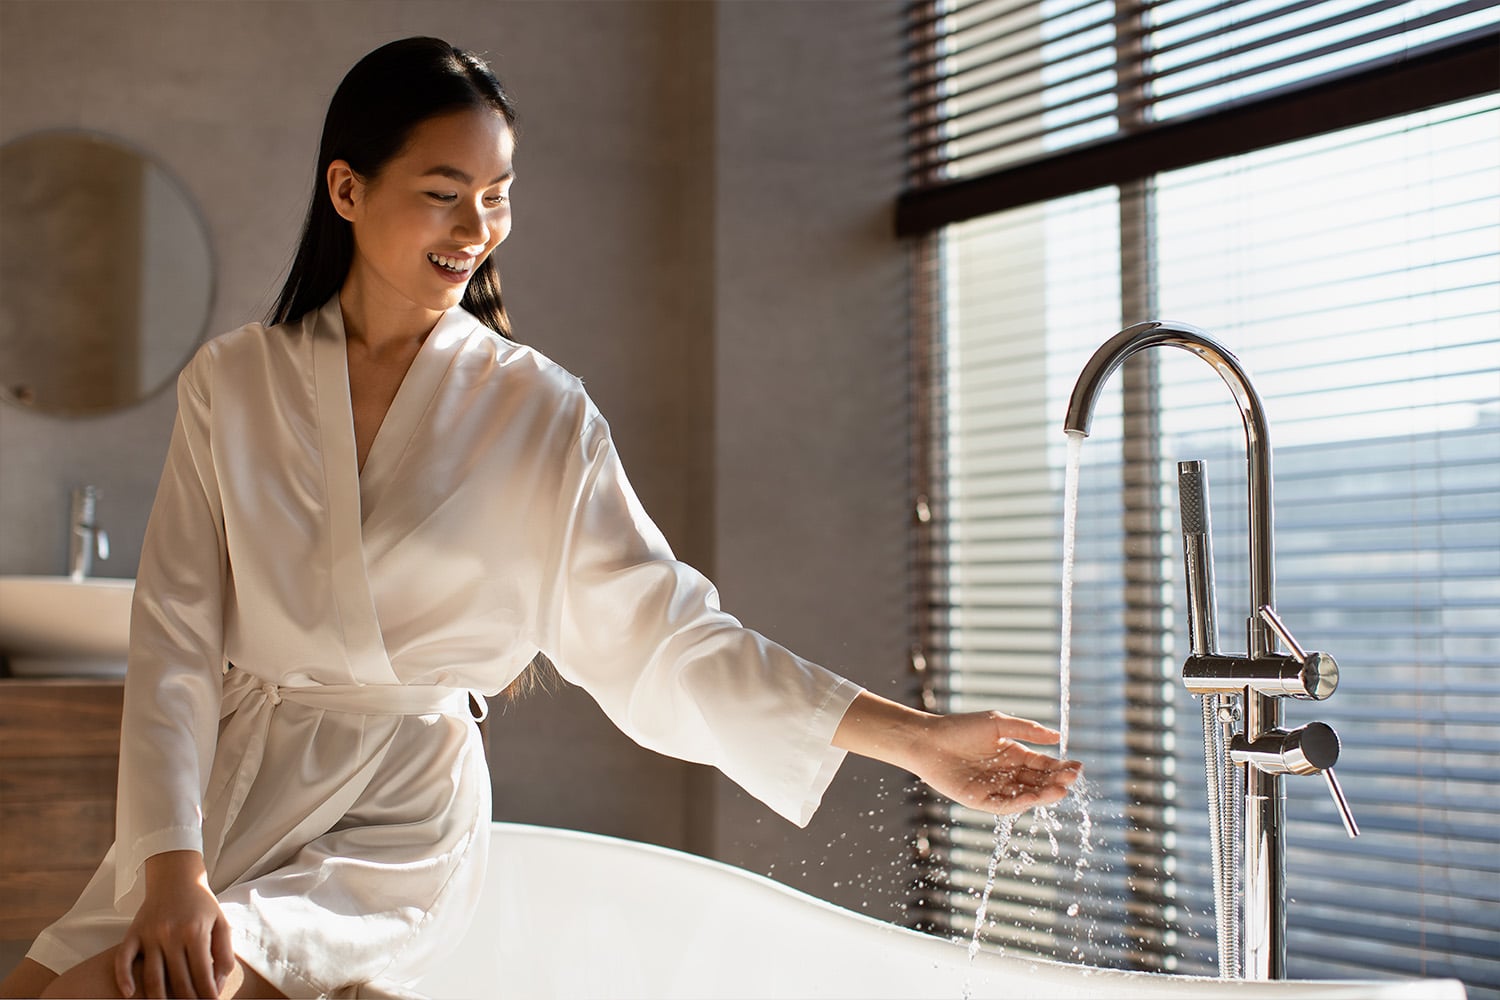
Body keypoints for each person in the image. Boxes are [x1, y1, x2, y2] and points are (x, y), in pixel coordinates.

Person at [0, 37, 1081, 1000]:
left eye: (499, 192)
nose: (478, 226)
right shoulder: (232, 382)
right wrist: (173, 866)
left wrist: (917, 738)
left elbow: (671, 639)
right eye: (442, 190)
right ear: (346, 187)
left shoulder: (538, 412)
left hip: (393, 817)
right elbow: (175, 647)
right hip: (235, 783)